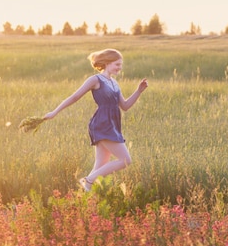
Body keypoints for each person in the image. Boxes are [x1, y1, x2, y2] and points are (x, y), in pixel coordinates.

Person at [41, 49, 148, 191]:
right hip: (102, 124)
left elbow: (125, 106)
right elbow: (74, 97)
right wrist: (54, 112)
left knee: (100, 166)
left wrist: (139, 91)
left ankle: (84, 200)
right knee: (125, 161)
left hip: (113, 124)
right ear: (107, 63)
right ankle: (88, 180)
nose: (119, 68)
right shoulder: (95, 80)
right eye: (117, 64)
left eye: (120, 65)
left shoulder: (114, 83)